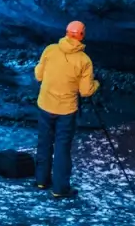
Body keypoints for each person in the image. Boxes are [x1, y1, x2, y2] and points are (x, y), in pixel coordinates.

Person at [33, 20, 100, 198]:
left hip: (45, 104)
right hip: (66, 110)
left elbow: (38, 75)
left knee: (44, 142)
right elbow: (85, 91)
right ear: (82, 35)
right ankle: (59, 189)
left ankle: (41, 180)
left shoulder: (50, 50)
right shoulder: (84, 61)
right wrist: (96, 84)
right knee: (62, 147)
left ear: (66, 32)